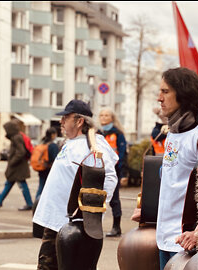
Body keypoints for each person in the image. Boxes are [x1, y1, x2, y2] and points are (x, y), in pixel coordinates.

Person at [131, 67, 198, 270]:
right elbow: (172, 180)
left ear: (183, 94)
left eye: (165, 91)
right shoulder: (172, 131)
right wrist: (146, 208)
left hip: (189, 242)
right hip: (164, 237)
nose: (159, 98)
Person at [32, 99, 118, 269]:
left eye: (66, 118)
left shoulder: (92, 144)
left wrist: (90, 213)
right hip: (57, 222)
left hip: (72, 225)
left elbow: (108, 177)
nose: (61, 122)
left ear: (79, 121)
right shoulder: (72, 142)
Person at [0, 120, 33, 211]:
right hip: (18, 167)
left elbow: (21, 152)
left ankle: (29, 203)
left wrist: (12, 162)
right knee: (10, 184)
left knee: (20, 185)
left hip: (17, 167)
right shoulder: (16, 136)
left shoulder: (16, 137)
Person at [99, 107, 128, 237]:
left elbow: (122, 155)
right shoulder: (98, 133)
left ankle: (116, 227)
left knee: (114, 199)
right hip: (99, 169)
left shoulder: (118, 133)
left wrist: (122, 174)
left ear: (112, 118)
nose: (103, 118)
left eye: (106, 115)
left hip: (113, 170)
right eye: (101, 115)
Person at [34, 127, 60, 200]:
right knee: (48, 189)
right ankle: (38, 204)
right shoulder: (53, 145)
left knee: (41, 187)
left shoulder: (42, 143)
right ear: (52, 135)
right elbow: (55, 159)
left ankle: (36, 203)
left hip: (42, 168)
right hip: (49, 169)